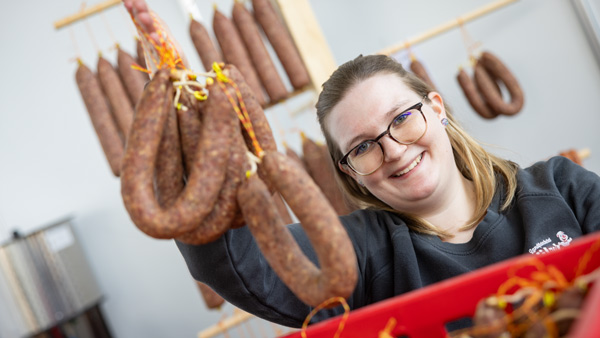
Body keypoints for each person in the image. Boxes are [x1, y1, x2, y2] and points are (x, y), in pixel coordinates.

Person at [122, 0, 600, 330]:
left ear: (436, 108)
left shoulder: (560, 187)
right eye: (364, 146)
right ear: (350, 171)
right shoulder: (363, 252)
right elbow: (245, 267)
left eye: (402, 119)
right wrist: (183, 118)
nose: (393, 149)